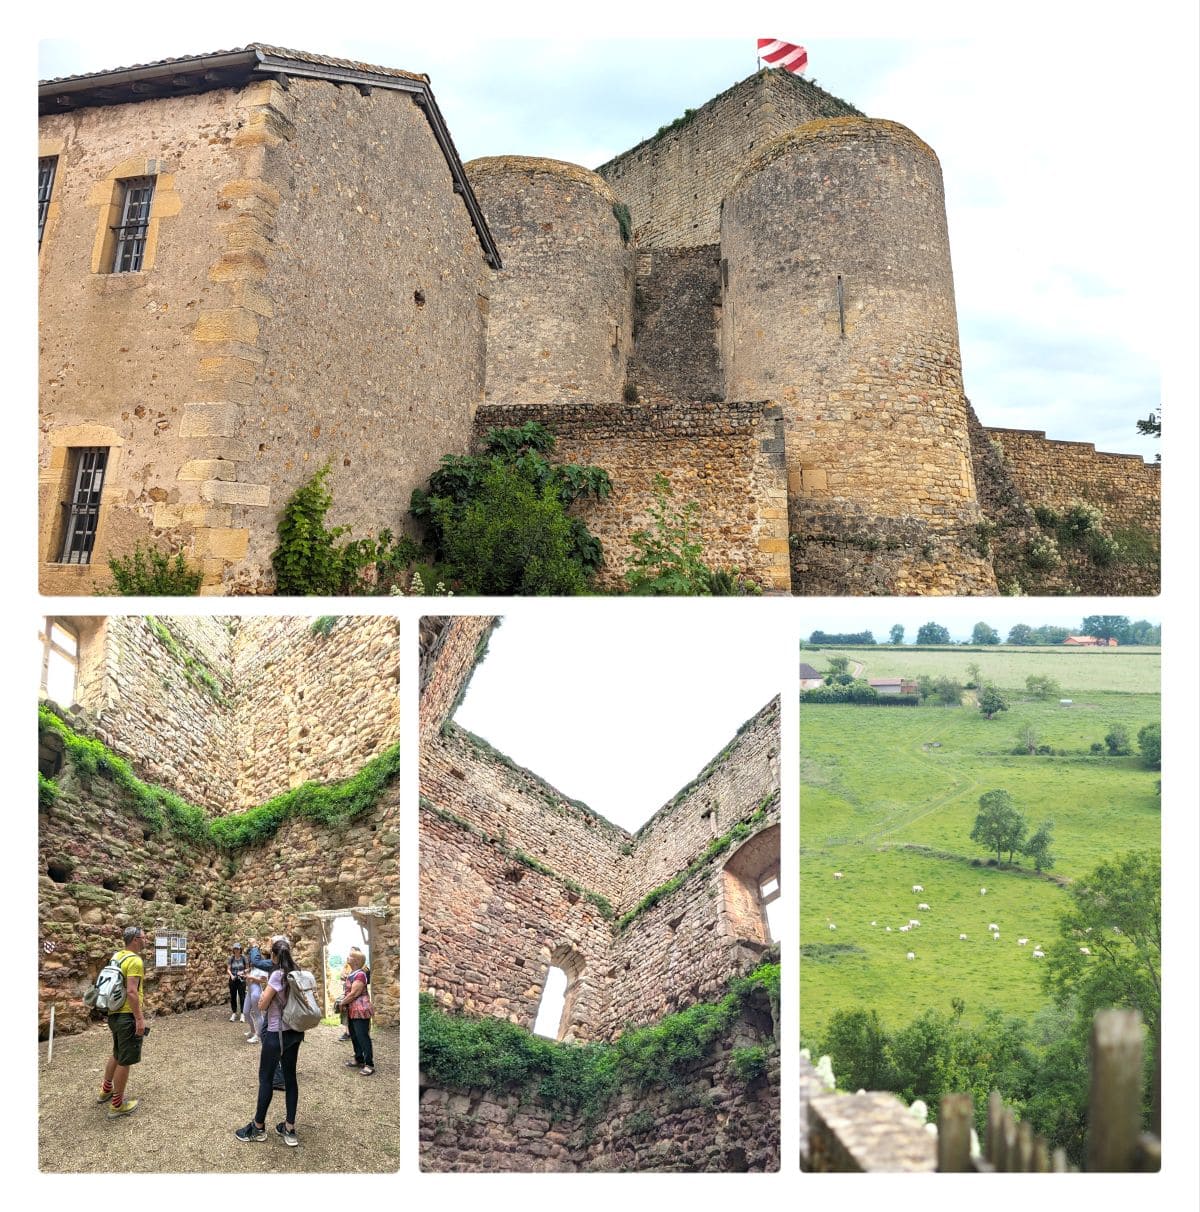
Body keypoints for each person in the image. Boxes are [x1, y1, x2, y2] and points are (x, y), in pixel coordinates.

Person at [234, 937, 302, 1146]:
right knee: (290, 1078)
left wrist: (265, 993)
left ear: (273, 956)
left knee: (266, 1078)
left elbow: (262, 1005)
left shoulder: (277, 976)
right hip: (294, 1032)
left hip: (276, 1033)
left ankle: (258, 1127)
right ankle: (289, 1129)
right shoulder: (297, 972)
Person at [97, 925, 147, 1118]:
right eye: (144, 937)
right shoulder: (134, 961)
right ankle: (117, 1105)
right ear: (135, 939)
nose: (145, 940)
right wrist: (139, 1019)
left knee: (117, 1053)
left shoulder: (117, 956)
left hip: (113, 1013)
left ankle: (106, 1090)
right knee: (125, 1060)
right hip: (127, 1015)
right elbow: (132, 992)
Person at [339, 947, 374, 1076]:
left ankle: (369, 1064)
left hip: (360, 1009)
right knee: (354, 1034)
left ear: (357, 961)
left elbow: (354, 993)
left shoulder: (360, 974)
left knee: (362, 1036)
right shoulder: (352, 973)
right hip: (352, 1009)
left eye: (350, 956)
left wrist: (342, 1002)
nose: (348, 957)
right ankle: (358, 1058)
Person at [243, 935, 271, 1045]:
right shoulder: (253, 967)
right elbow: (250, 972)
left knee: (258, 1014)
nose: (250, 957)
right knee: (245, 1012)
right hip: (249, 991)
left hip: (256, 991)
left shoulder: (262, 966)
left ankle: (258, 1036)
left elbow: (264, 981)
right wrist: (245, 973)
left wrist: (252, 978)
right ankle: (252, 1030)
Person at [227, 943, 248, 1022]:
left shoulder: (244, 958)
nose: (236, 950)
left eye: (238, 949)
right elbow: (228, 969)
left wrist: (242, 972)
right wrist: (231, 975)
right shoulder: (231, 958)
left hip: (241, 979)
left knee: (242, 996)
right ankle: (234, 1013)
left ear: (240, 949)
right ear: (233, 950)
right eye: (235, 949)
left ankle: (242, 1013)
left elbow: (248, 969)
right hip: (233, 979)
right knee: (233, 996)